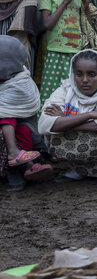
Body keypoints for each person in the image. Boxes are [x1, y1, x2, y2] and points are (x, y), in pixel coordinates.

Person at [38, 50, 97, 187]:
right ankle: (78, 169)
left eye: (91, 74)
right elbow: (44, 125)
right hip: (79, 148)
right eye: (79, 74)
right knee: (50, 135)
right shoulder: (64, 90)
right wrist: (90, 115)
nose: (84, 80)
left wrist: (66, 120)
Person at [38, 0, 97, 105]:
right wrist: (66, 2)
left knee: (73, 96)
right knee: (51, 94)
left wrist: (85, 6)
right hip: (56, 52)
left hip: (77, 56)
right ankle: (49, 125)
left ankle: (69, 125)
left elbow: (89, 28)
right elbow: (47, 24)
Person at [0, 36, 48, 190]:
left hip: (23, 127)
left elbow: (17, 108)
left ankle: (25, 166)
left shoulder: (21, 81)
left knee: (22, 130)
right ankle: (17, 170)